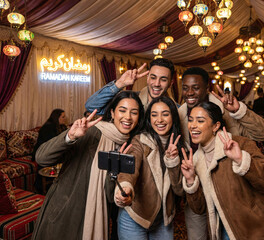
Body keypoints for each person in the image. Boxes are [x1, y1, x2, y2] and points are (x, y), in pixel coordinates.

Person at [32, 91, 144, 240]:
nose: (128, 117)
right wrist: (69, 136)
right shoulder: (90, 132)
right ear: (112, 112)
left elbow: (111, 197)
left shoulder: (130, 145)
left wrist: (121, 190)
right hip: (64, 215)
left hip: (95, 219)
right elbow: (41, 158)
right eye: (122, 110)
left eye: (134, 112)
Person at [178, 67, 264, 240]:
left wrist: (238, 111)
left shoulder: (226, 109)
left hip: (231, 191)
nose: (189, 92)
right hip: (198, 188)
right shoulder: (179, 115)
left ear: (207, 88)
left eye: (196, 87)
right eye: (185, 87)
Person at [180, 102, 264, 240]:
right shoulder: (196, 161)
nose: (192, 125)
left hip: (260, 232)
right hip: (225, 233)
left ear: (216, 126)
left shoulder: (241, 144)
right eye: (190, 120)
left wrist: (241, 160)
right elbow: (200, 209)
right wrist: (191, 181)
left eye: (200, 120)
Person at [113, 96, 185, 240]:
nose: (159, 120)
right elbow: (130, 169)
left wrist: (173, 161)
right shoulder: (140, 141)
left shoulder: (181, 146)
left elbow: (179, 190)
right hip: (135, 217)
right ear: (149, 118)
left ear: (173, 117)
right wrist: (126, 187)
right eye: (154, 115)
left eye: (165, 114)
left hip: (164, 220)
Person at [85, 58, 175, 113]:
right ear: (147, 78)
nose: (156, 84)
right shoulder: (130, 100)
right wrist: (119, 84)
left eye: (163, 79)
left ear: (170, 83)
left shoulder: (177, 110)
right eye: (153, 77)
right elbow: (92, 106)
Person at [32, 109, 68, 193]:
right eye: (63, 117)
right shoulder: (48, 127)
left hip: (55, 151)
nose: (64, 118)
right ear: (57, 118)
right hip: (43, 152)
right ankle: (42, 188)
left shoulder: (62, 126)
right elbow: (52, 145)